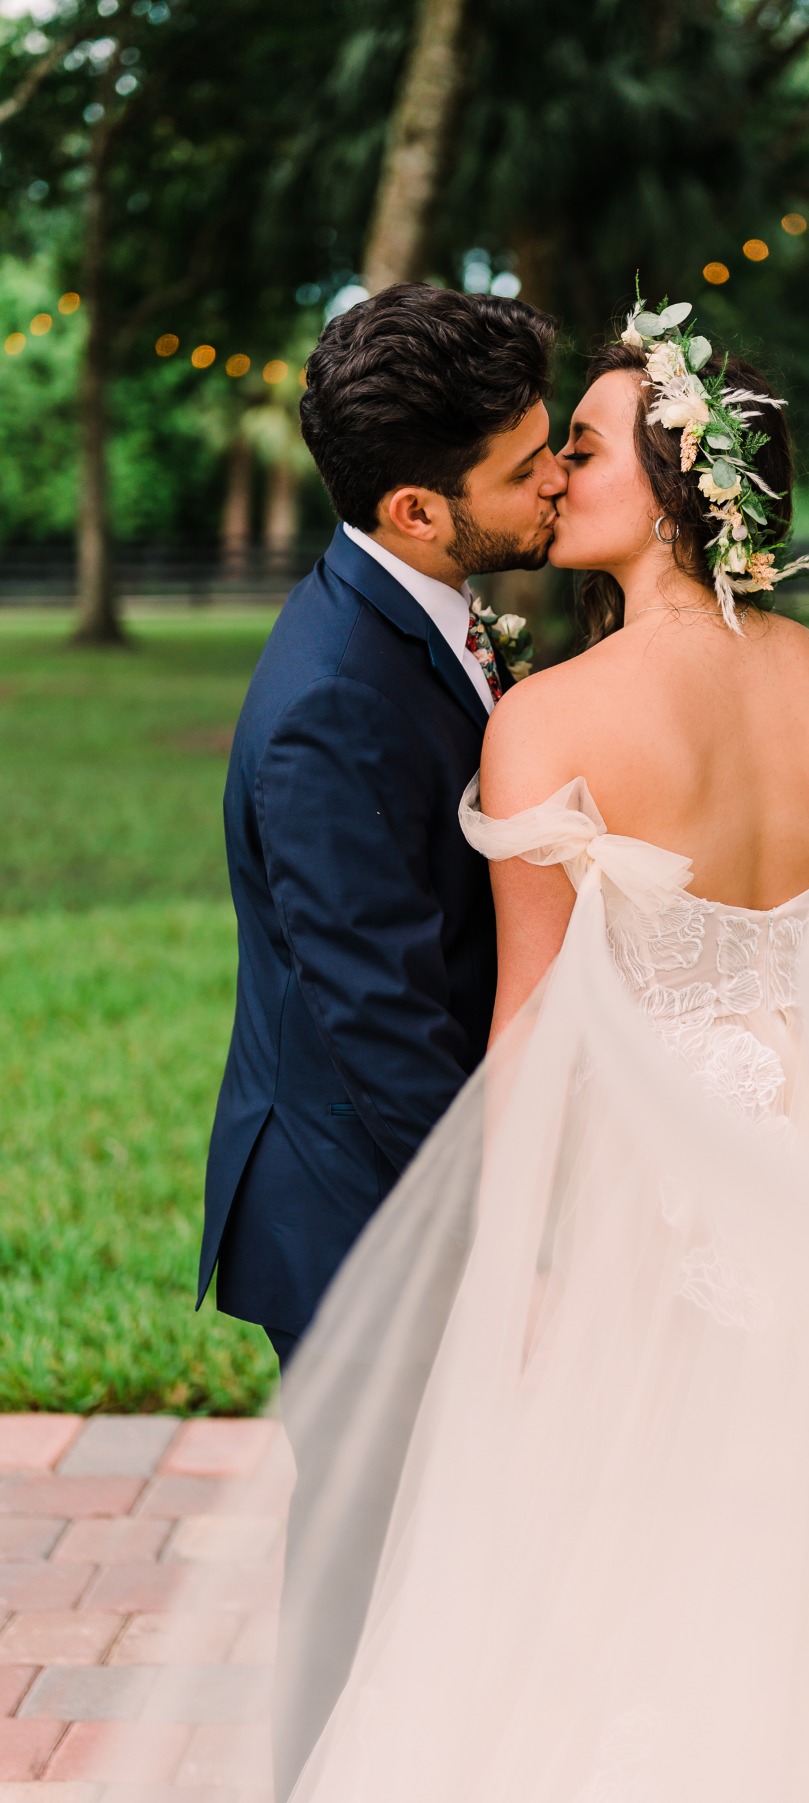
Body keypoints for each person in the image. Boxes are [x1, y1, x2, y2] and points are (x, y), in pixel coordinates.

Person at [265, 295, 809, 1802]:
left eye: (587, 451)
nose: (556, 477)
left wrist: (517, 1271)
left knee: (629, 1565)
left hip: (654, 1196)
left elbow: (536, 1022)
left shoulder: (546, 722)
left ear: (675, 488)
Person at [198, 282, 564, 1367]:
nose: (558, 477)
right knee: (374, 1539)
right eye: (523, 468)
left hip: (395, 1178)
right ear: (417, 509)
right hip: (363, 1214)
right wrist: (499, 1239)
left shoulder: (409, 608)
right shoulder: (332, 705)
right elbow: (380, 1013)